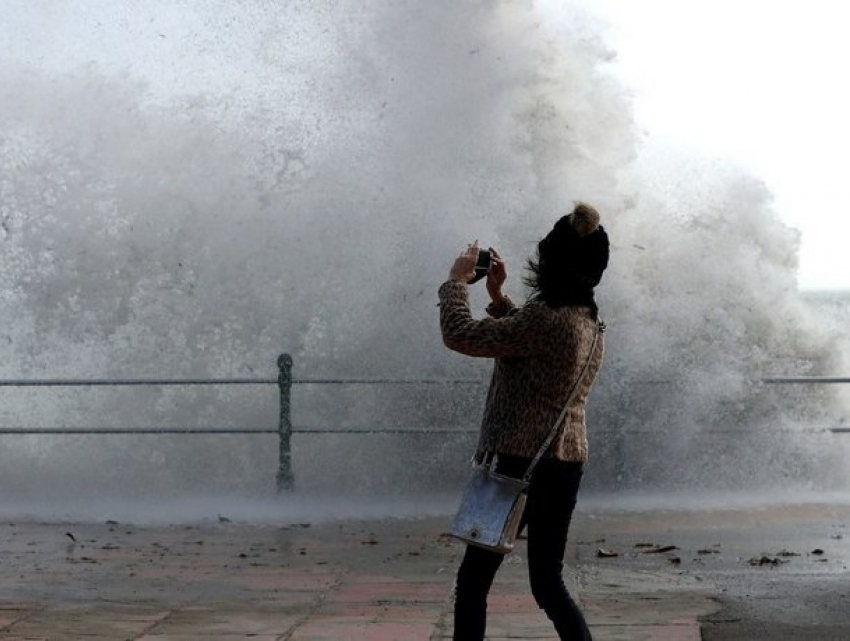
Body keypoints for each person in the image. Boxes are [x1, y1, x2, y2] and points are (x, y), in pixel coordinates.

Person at [438, 202, 610, 641]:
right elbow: (529, 339)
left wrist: (456, 283)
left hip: (518, 462)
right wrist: (498, 298)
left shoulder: (546, 319)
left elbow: (460, 334)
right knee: (548, 584)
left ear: (548, 258)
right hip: (565, 461)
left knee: (474, 580)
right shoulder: (587, 319)